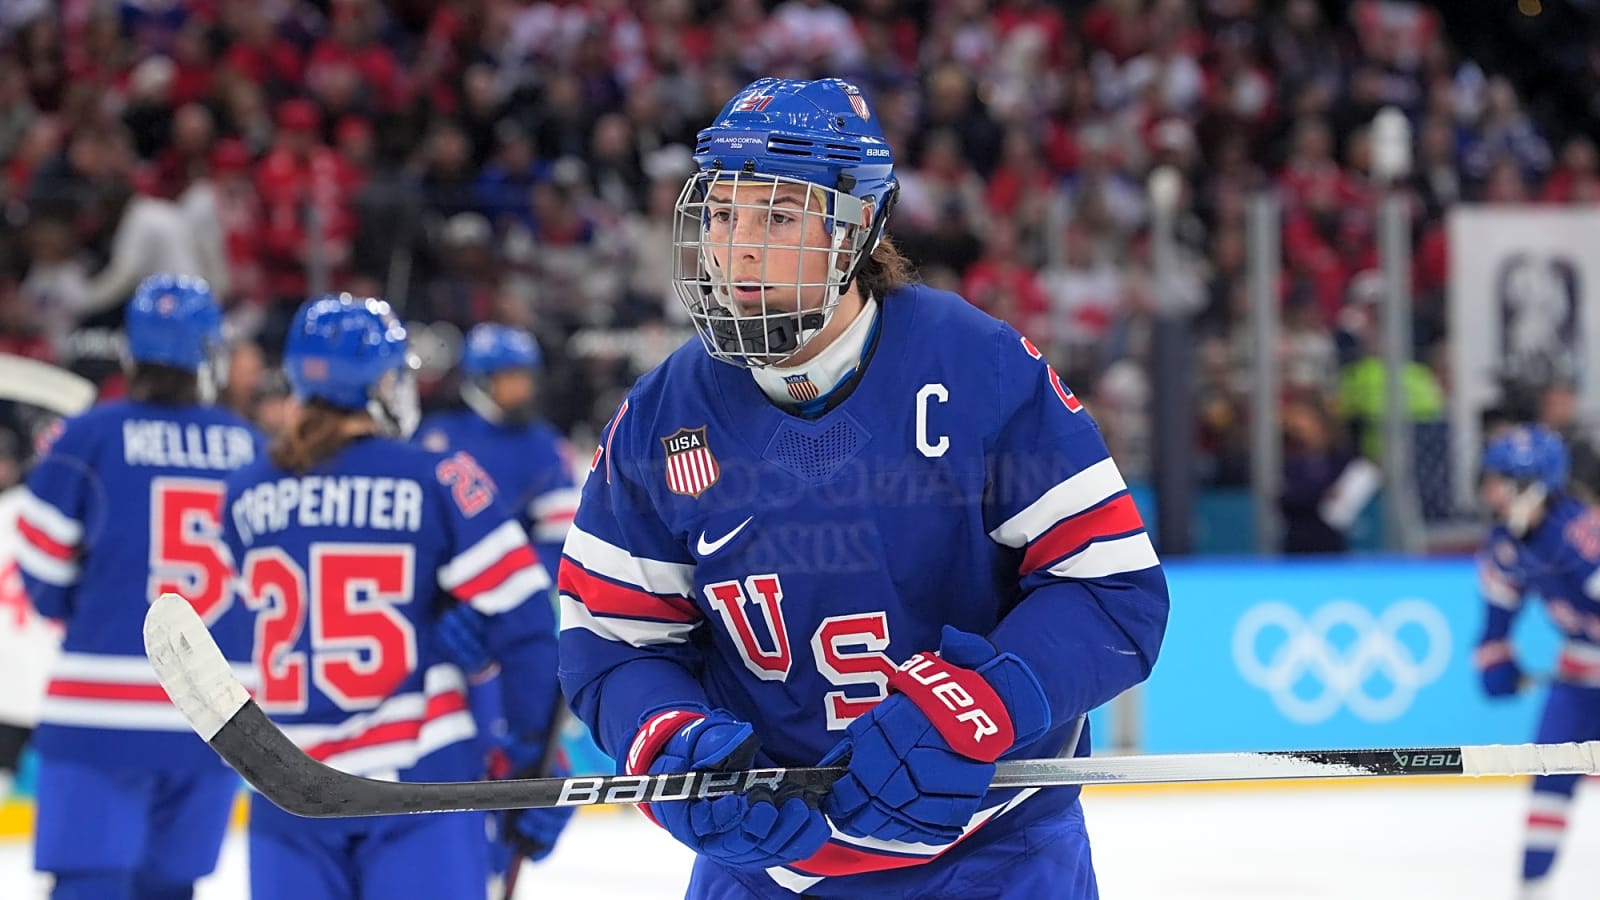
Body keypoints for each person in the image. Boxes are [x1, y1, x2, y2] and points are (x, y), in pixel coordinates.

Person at [556, 77, 1170, 899]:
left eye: (775, 217)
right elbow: (613, 642)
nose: (737, 246)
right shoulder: (660, 418)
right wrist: (672, 741)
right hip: (764, 867)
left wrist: (979, 705)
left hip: (996, 859)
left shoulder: (977, 368)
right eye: (723, 213)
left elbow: (1112, 594)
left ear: (856, 229)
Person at [216, 293, 571, 900]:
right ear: (378, 381)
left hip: (287, 792)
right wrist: (532, 758)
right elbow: (529, 621)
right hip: (420, 782)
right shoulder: (435, 475)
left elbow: (224, 639)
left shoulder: (244, 493)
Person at [16, 274, 263, 900]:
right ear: (209, 353)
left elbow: (40, 566)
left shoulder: (89, 435)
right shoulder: (252, 446)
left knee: (89, 886)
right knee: (171, 888)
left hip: (97, 710)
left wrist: (84, 613)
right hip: (215, 715)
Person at [412, 321, 580, 889]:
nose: (519, 389)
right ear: (480, 380)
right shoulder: (436, 436)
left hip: (512, 629)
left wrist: (495, 597)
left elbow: (561, 546)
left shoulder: (543, 446)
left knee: (517, 748)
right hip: (446, 636)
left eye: (523, 377)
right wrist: (442, 603)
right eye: (507, 378)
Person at [1474, 424, 1600, 900]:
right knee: (1550, 777)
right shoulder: (1507, 544)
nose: (1488, 489)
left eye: (1499, 478)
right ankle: (1531, 891)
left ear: (1531, 484)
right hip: (1575, 677)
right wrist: (1495, 662)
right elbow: (1494, 625)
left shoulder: (1582, 538)